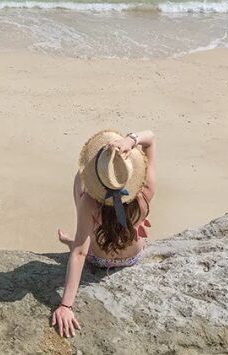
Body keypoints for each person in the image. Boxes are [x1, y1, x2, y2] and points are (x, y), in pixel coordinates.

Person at [51, 129, 156, 338]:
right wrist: (130, 139)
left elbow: (80, 254)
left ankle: (80, 236)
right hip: (132, 257)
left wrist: (66, 305)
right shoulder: (145, 191)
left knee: (79, 179)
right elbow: (150, 138)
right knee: (134, 219)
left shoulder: (90, 202)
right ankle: (131, 225)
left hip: (97, 258)